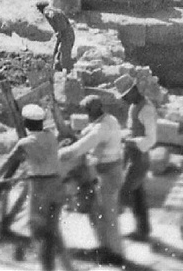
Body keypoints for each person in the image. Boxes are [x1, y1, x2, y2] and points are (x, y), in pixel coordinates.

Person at [63, 93, 129, 262]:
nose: (87, 114)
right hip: (107, 172)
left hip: (108, 174)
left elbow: (83, 145)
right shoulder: (108, 119)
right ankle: (107, 248)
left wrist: (62, 154)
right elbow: (89, 132)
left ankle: (115, 255)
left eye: (88, 111)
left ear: (94, 110)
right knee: (99, 212)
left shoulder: (102, 128)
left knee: (108, 215)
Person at [7, 103, 73, 271]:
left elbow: (11, 160)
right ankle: (66, 266)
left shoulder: (24, 143)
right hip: (57, 184)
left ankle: (47, 267)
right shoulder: (51, 136)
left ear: (26, 123)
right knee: (52, 229)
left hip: (40, 187)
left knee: (38, 230)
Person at [120, 81, 159, 243]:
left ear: (134, 91)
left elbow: (151, 139)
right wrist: (124, 136)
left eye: (125, 95)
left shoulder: (147, 110)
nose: (124, 99)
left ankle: (113, 228)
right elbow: (132, 129)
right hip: (131, 155)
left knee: (124, 192)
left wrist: (132, 141)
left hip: (140, 157)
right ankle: (143, 229)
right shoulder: (133, 107)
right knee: (137, 194)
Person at [39, 1, 76, 73]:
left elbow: (58, 22)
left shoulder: (47, 12)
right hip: (65, 31)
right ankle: (57, 68)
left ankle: (65, 72)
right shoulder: (52, 9)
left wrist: (59, 32)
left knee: (65, 51)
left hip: (66, 32)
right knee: (60, 52)